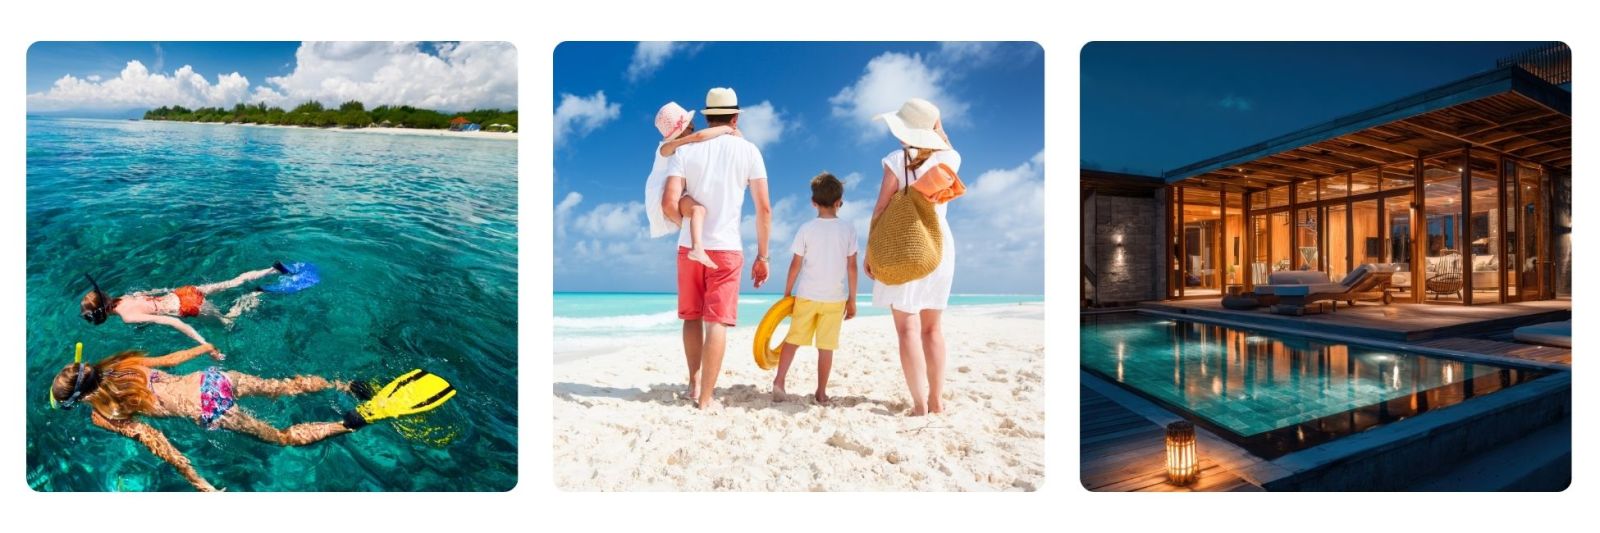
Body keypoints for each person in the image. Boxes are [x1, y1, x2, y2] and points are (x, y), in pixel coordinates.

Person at [48, 343, 453, 491]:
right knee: (281, 385)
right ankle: (344, 383)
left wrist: (198, 481)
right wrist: (204, 348)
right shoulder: (125, 364)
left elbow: (159, 443)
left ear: (78, 399)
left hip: (208, 409)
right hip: (211, 379)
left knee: (281, 437)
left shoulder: (104, 414)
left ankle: (351, 421)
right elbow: (170, 359)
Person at [662, 87, 771, 410]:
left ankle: (693, 383)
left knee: (691, 318)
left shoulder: (684, 151)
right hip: (726, 249)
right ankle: (707, 398)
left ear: (708, 117)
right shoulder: (749, 151)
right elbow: (764, 209)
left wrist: (686, 224)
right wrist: (763, 255)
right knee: (717, 323)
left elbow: (670, 203)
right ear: (735, 118)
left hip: (688, 248)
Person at [864, 98, 960, 416]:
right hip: (938, 246)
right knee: (933, 329)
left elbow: (881, 207)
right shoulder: (951, 158)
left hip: (904, 245)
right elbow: (945, 144)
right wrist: (937, 127)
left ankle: (919, 405)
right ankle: (937, 400)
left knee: (908, 329)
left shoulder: (896, 159)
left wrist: (871, 249)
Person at [772, 173, 858, 404]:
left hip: (808, 295)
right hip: (835, 298)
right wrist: (852, 299)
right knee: (826, 347)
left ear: (813, 202)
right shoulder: (848, 229)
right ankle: (821, 392)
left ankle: (779, 381)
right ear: (839, 201)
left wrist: (787, 294)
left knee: (793, 339)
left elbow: (795, 264)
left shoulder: (806, 228)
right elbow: (852, 267)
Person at [80, 263, 289, 346]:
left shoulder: (127, 317)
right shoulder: (124, 297)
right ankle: (274, 270)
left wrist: (203, 343)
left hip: (188, 307)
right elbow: (153, 294)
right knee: (233, 282)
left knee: (228, 323)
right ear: (106, 298)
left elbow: (173, 323)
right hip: (183, 291)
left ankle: (254, 296)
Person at [645, 102, 738, 269]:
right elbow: (699, 137)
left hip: (672, 192)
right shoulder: (665, 149)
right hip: (662, 196)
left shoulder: (679, 149)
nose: (694, 130)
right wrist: (727, 129)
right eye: (691, 127)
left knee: (697, 212)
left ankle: (697, 247)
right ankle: (697, 249)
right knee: (698, 210)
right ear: (682, 131)